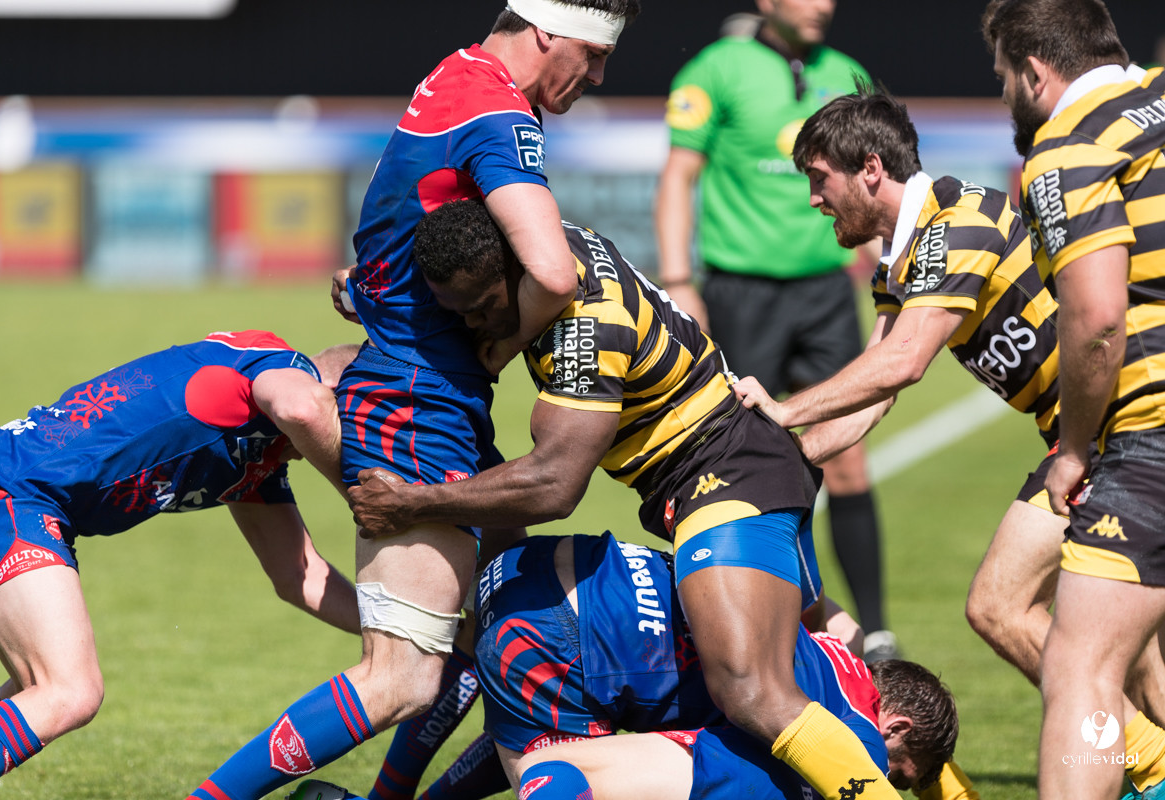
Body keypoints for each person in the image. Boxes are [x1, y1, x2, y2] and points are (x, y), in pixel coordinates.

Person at [188, 3, 641, 799]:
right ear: (545, 32)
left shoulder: (455, 73)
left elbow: (408, 215)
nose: (598, 76)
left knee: (501, 617)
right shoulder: (502, 112)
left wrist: (371, 286)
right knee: (397, 679)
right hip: (416, 407)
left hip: (419, 393)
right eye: (593, 56)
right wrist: (496, 346)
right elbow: (558, 272)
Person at [351, 198, 904, 800]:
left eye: (484, 307)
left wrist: (413, 504)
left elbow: (554, 485)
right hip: (747, 469)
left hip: (723, 480)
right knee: (825, 642)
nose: (476, 325)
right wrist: (370, 291)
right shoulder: (544, 246)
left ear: (516, 269)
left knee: (751, 691)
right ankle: (947, 785)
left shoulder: (589, 325)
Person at [734, 83, 1165, 797]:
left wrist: (781, 412)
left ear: (870, 168)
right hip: (1089, 438)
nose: (814, 198)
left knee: (1001, 604)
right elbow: (875, 393)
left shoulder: (959, 220)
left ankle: (1146, 760)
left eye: (820, 179)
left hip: (1122, 431)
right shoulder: (899, 263)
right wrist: (789, 459)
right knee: (1137, 644)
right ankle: (1148, 759)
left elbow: (902, 361)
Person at [0, 330, 361, 798]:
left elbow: (300, 575)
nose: (364, 448)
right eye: (361, 432)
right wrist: (364, 493)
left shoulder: (260, 455)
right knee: (67, 692)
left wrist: (405, 627)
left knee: (32, 688)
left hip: (14, 495)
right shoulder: (280, 366)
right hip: (7, 493)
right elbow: (304, 409)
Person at [289, 532, 975, 800]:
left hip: (530, 575)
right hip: (577, 638)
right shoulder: (847, 734)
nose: (880, 779)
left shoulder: (826, 647)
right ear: (895, 724)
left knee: (540, 749)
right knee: (559, 773)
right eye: (896, 773)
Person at [654, 0, 896, 662]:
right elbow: (678, 178)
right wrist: (680, 283)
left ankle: (874, 631)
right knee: (743, 459)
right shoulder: (716, 69)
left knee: (846, 457)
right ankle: (743, 617)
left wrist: (891, 277)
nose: (823, 4)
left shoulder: (848, 72)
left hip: (825, 293)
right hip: (740, 293)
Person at [982, 1, 1165, 798]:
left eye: (1001, 79)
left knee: (1081, 663)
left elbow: (1094, 323)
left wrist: (1077, 450)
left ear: (1033, 70)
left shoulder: (1069, 144)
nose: (1004, 97)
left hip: (1152, 427)